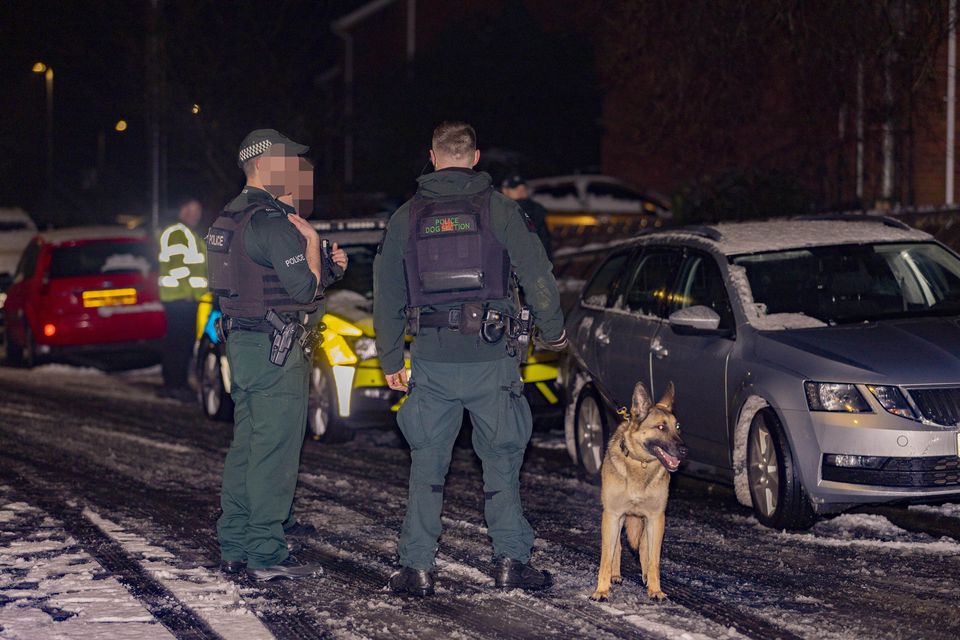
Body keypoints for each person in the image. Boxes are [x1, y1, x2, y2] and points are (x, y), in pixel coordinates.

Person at [373, 122, 567, 597]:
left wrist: (391, 356)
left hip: (433, 361)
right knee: (501, 461)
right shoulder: (501, 210)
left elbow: (387, 292)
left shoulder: (406, 218)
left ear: (434, 157)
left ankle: (416, 567)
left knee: (427, 462)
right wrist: (555, 331)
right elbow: (537, 274)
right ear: (476, 157)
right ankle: (510, 561)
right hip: (491, 358)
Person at [206, 129, 348, 581]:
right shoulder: (272, 221)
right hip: (277, 351)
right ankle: (266, 551)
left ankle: (235, 541)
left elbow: (265, 279)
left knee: (247, 444)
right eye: (290, 161)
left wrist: (326, 266)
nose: (297, 170)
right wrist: (313, 248)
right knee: (276, 451)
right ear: (266, 165)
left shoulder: (228, 219)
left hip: (245, 346)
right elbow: (305, 291)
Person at [157, 197, 207, 401]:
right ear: (182, 210)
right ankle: (175, 384)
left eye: (198, 210)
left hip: (184, 298)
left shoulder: (187, 233)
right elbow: (178, 268)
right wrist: (189, 293)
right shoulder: (178, 233)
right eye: (192, 209)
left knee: (180, 342)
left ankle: (177, 383)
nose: (196, 214)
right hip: (180, 298)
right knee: (179, 343)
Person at [501, 175, 553, 260]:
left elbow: (544, 240)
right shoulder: (497, 210)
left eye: (522, 188)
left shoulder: (536, 210)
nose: (520, 191)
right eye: (515, 188)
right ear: (505, 191)